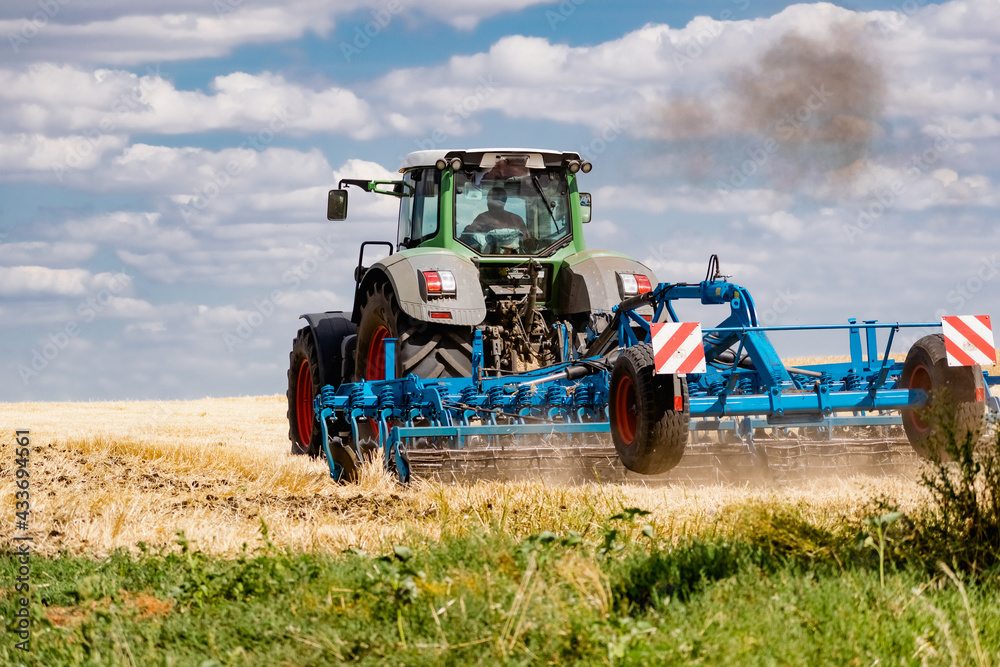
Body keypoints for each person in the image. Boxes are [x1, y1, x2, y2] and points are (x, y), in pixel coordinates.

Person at [464, 186, 530, 239]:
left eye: (502, 199)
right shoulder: (481, 218)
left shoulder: (516, 219)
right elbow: (466, 237)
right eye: (488, 199)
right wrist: (470, 230)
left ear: (504, 202)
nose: (488, 203)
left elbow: (526, 241)